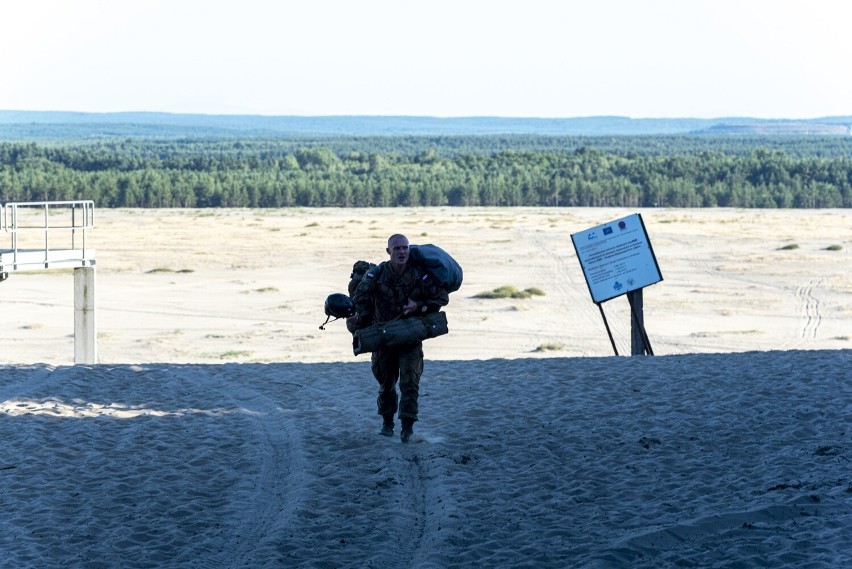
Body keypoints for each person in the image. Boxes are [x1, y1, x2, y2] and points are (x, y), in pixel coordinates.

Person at [349, 234, 449, 443]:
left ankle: (407, 429)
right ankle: (387, 424)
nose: (402, 252)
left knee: (410, 383)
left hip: (409, 336)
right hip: (383, 337)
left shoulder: (418, 275)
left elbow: (440, 298)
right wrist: (355, 316)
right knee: (386, 384)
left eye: (405, 248)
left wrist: (418, 306)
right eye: (397, 249)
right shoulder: (376, 275)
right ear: (388, 252)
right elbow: (359, 301)